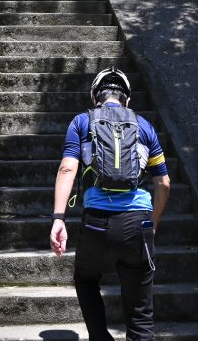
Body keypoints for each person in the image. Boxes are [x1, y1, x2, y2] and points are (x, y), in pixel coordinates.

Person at [50, 67, 171, 341]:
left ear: (95, 96)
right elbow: (163, 183)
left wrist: (58, 218)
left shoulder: (81, 122)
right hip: (138, 223)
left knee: (85, 278)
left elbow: (67, 169)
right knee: (140, 316)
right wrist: (152, 225)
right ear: (127, 99)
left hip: (96, 222)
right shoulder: (145, 126)